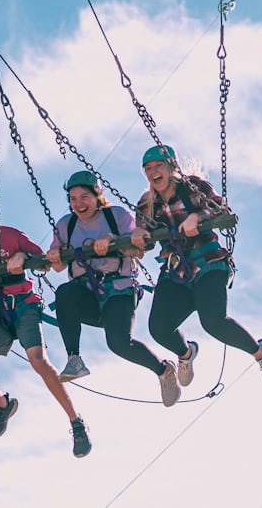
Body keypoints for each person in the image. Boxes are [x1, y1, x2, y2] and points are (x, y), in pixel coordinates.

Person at [0, 184, 91, 458]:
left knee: (38, 361)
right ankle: (2, 405)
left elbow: (45, 262)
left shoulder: (10, 236)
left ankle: (76, 421)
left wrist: (24, 256)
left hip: (24, 304)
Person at [130, 145, 262, 387]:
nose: (153, 172)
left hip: (208, 263)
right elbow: (143, 243)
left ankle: (261, 353)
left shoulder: (193, 187)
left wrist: (197, 217)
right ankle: (186, 354)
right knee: (158, 327)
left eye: (158, 166)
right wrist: (137, 235)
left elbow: (222, 210)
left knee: (213, 322)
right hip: (177, 271)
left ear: (171, 167)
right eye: (148, 169)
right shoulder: (147, 204)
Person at [46, 171, 183, 407]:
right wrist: (55, 254)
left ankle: (163, 370)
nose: (79, 204)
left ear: (97, 195)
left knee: (119, 343)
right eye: (73, 199)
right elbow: (57, 267)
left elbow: (138, 250)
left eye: (84, 197)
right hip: (86, 294)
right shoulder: (66, 225)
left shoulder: (116, 216)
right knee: (64, 293)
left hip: (118, 290)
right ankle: (74, 358)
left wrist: (113, 241)